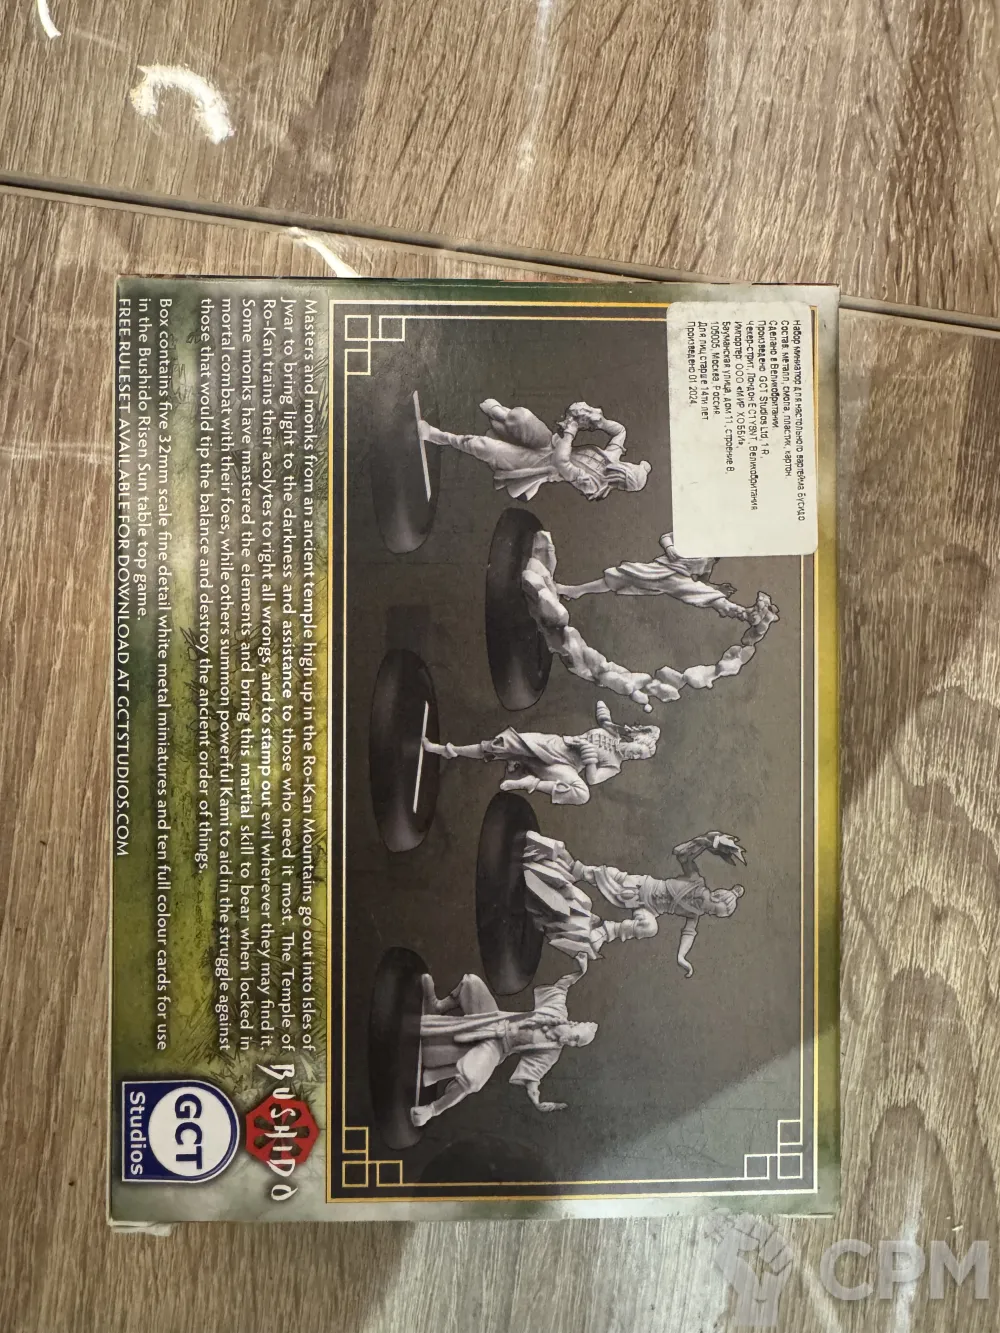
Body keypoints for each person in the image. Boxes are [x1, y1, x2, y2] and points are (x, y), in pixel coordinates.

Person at [521, 830, 747, 977]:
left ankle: (607, 931)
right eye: (715, 911)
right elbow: (682, 854)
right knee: (600, 875)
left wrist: (682, 957)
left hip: (649, 909)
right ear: (716, 897)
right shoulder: (695, 880)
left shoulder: (695, 914)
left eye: (715, 915)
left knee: (650, 928)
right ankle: (566, 864)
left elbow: (689, 934)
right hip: (641, 887)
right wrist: (705, 842)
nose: (710, 914)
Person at [411, 968, 595, 1126]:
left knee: (472, 1079)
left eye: (575, 1044)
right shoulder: (556, 1012)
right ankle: (438, 1007)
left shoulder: (551, 1051)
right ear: (574, 1024)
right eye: (576, 1037)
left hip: (496, 1047)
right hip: (493, 1018)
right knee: (471, 982)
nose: (571, 1042)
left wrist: (537, 1101)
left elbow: (533, 1077)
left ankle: (431, 1110)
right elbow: (561, 987)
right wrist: (579, 972)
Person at [421, 699, 660, 806]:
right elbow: (604, 717)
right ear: (634, 739)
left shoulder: (615, 766)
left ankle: (530, 782)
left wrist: (589, 759)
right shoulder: (611, 733)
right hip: (558, 746)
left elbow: (593, 779)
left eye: (639, 758)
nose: (634, 756)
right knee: (503, 744)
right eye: (638, 751)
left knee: (582, 794)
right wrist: (603, 711)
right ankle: (449, 750)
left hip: (567, 767)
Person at [417, 397, 651, 501]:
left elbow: (562, 463)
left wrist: (571, 431)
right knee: (522, 417)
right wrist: (599, 421)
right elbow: (620, 431)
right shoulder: (611, 456)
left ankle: (438, 437)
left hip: (542, 465)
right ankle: (500, 414)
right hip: (551, 444)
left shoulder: (594, 485)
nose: (623, 466)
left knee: (484, 447)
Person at [556, 530, 769, 629]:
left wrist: (717, 588)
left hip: (676, 580)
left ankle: (743, 613)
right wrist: (670, 549)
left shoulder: (708, 562)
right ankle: (575, 591)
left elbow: (702, 584)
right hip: (660, 570)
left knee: (705, 595)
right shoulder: (693, 536)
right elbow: (666, 537)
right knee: (619, 575)